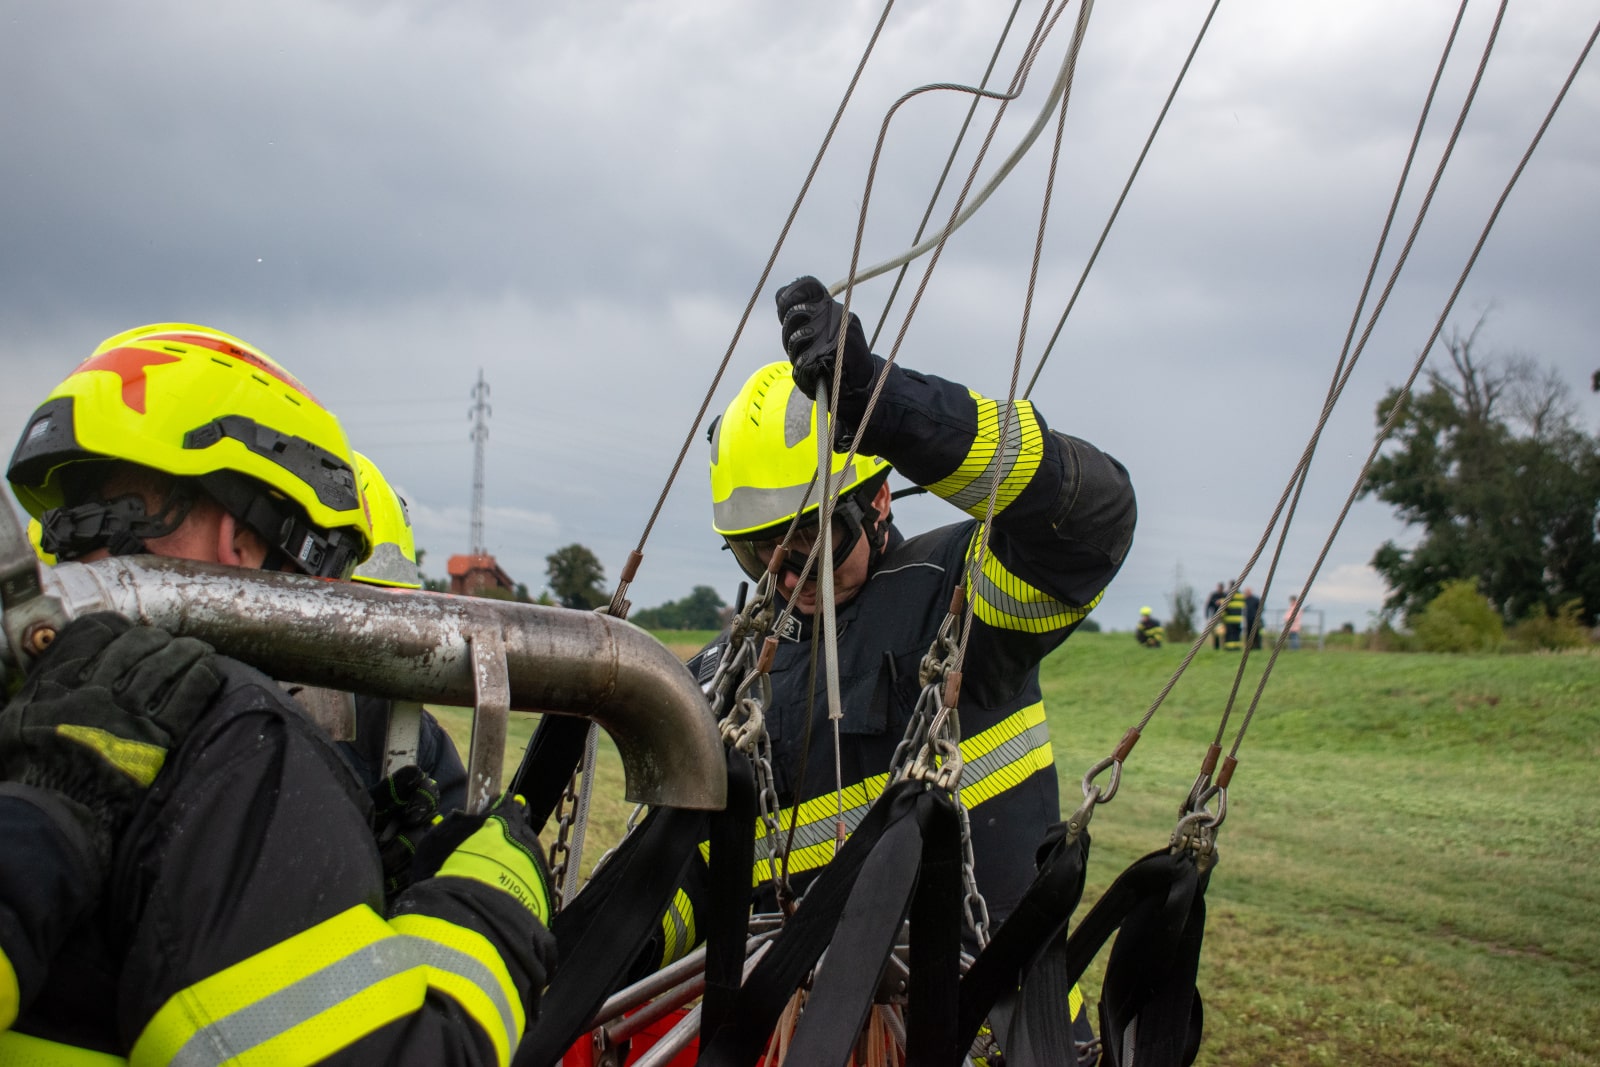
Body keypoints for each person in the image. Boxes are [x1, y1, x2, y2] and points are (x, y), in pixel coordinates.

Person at [2, 323, 555, 1063]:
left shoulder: (35, 711)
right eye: (321, 558)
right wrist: (491, 904)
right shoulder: (236, 742)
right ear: (244, 537)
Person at [687, 276, 1136, 1050]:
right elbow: (689, 879)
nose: (788, 576)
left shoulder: (963, 601)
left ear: (881, 500)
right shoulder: (723, 680)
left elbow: (1091, 518)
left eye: (812, 541)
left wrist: (887, 405)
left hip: (995, 1042)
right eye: (758, 553)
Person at [1204, 581, 1227, 650]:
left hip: (1223, 617)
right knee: (1215, 633)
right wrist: (1207, 617)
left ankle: (1224, 646)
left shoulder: (1225, 595)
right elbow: (1208, 606)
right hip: (1215, 616)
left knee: (1223, 632)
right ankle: (1216, 647)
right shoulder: (1214, 595)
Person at [1244, 586, 1263, 650]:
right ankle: (1249, 647)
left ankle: (1257, 647)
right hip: (1248, 619)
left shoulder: (1255, 599)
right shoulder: (1245, 600)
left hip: (1255, 619)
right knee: (1248, 634)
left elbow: (1261, 608)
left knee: (1256, 633)